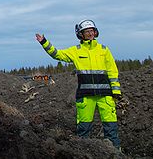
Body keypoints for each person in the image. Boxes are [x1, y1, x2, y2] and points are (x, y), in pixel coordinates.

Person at [35, 19, 121, 149]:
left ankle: (115, 153)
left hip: (105, 96)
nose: (90, 34)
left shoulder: (104, 50)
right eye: (87, 31)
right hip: (86, 97)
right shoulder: (76, 51)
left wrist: (116, 92)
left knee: (111, 129)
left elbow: (112, 71)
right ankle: (82, 153)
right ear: (81, 34)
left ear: (96, 32)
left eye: (92, 30)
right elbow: (57, 54)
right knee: (84, 130)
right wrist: (44, 42)